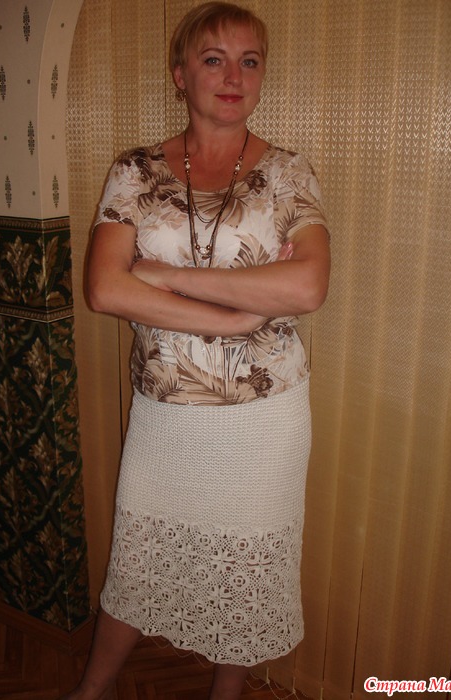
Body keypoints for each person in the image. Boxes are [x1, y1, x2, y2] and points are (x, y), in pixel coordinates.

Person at [64, 2, 330, 699]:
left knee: (243, 567)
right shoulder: (134, 171)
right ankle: (92, 691)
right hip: (166, 409)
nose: (233, 76)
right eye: (214, 59)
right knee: (137, 561)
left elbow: (307, 285)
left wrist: (163, 276)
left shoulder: (288, 173)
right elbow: (104, 288)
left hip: (263, 415)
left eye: (249, 61)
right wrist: (239, 316)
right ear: (180, 75)